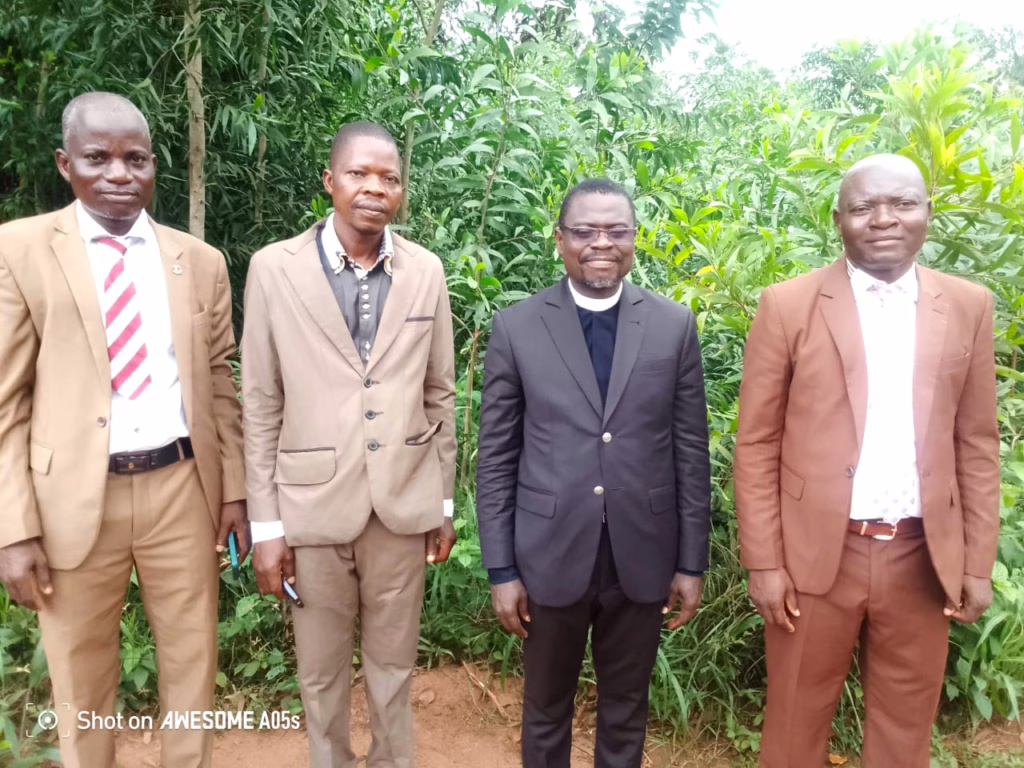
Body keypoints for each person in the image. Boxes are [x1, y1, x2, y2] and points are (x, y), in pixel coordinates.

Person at [0, 92, 247, 768]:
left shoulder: (200, 262)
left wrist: (235, 494)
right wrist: (13, 528)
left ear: (154, 166)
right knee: (81, 680)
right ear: (65, 163)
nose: (118, 174)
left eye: (135, 159)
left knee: (192, 665)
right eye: (97, 158)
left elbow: (222, 385)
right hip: (74, 500)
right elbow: (5, 402)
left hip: (180, 490)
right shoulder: (20, 250)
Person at [735, 153, 1001, 767]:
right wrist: (765, 562)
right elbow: (756, 445)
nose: (884, 218)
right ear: (838, 220)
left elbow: (977, 444)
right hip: (813, 560)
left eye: (902, 203)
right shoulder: (787, 305)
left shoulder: (967, 305)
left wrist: (977, 563)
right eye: (864, 207)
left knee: (904, 732)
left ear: (928, 213)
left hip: (922, 557)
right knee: (795, 724)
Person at [241, 120, 457, 768]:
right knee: (320, 672)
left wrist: (443, 503)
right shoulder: (273, 270)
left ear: (401, 192)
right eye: (360, 174)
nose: (375, 187)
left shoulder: (425, 271)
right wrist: (266, 525)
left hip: (401, 503)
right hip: (310, 511)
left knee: (393, 669)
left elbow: (441, 392)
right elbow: (260, 400)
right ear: (330, 181)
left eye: (389, 178)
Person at [476, 179, 712, 768]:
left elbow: (690, 450)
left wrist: (691, 562)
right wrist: (501, 567)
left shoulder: (672, 325)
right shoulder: (518, 326)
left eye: (617, 231)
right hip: (547, 554)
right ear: (560, 240)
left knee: (627, 707)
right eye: (584, 231)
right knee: (546, 708)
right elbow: (498, 456)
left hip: (643, 553)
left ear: (635, 240)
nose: (600, 243)